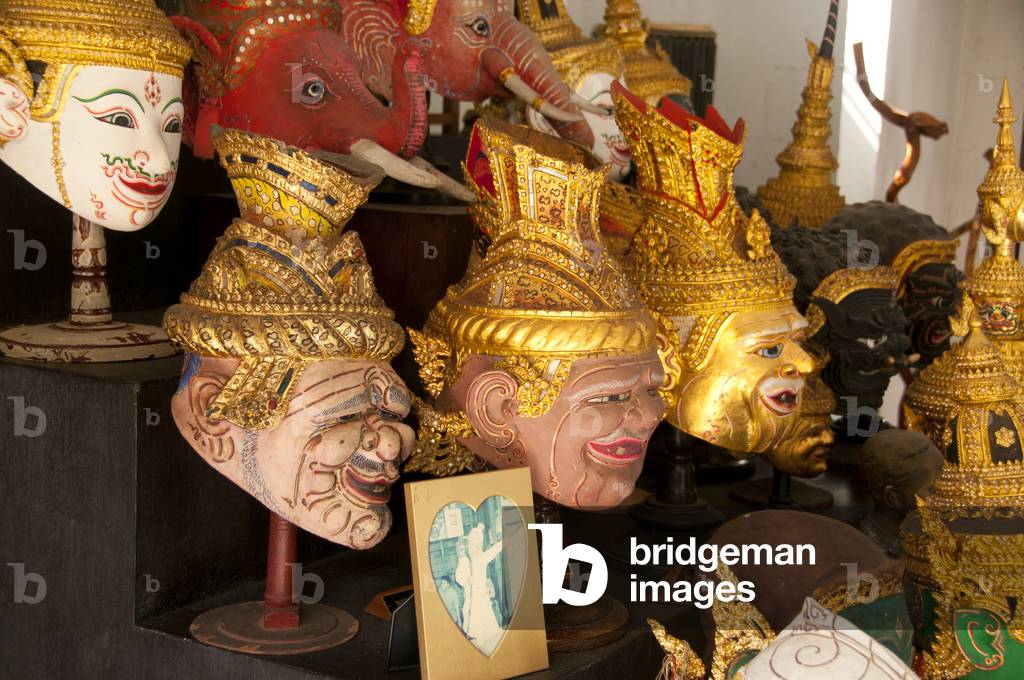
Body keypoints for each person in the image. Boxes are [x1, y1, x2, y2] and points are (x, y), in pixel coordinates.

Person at [454, 524, 504, 653]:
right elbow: (459, 575)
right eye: (470, 544)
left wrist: (504, 540)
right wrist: (466, 580)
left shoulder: (482, 558)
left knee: (484, 625)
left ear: (479, 546)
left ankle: (483, 649)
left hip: (482, 599)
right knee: (474, 625)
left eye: (475, 545)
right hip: (471, 599)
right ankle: (477, 648)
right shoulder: (464, 560)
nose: (472, 548)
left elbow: (495, 550)